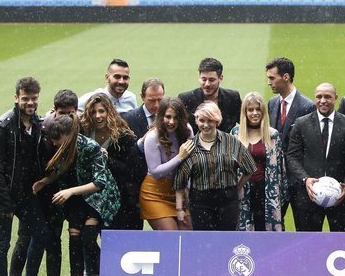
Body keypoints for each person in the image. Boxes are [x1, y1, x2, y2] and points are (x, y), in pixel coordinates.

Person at [33, 114, 120, 276]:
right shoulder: (63, 148)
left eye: (57, 140)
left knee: (89, 240)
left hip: (98, 197)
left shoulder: (90, 147)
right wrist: (45, 182)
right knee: (74, 241)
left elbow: (100, 183)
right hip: (77, 199)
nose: (54, 144)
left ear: (69, 136)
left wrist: (70, 191)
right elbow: (61, 171)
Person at [0, 77, 56, 276]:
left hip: (26, 193)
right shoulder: (2, 126)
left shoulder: (38, 124)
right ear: (16, 98)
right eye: (25, 98)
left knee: (42, 233)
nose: (30, 102)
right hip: (1, 196)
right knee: (1, 245)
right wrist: (5, 205)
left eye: (34, 98)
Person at [4, 88, 77, 276]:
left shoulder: (78, 129)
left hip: (61, 193)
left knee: (54, 241)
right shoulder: (41, 127)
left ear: (76, 112)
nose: (66, 117)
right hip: (36, 192)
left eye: (70, 113)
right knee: (25, 238)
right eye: (62, 112)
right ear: (54, 110)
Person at [286, 83, 345, 232]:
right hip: (309, 197)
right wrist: (305, 179)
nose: (323, 100)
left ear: (336, 98)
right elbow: (292, 157)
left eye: (327, 97)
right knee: (307, 245)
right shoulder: (301, 123)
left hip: (341, 198)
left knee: (343, 244)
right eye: (319, 97)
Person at [174, 102, 254, 231]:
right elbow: (180, 181)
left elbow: (249, 168)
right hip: (200, 202)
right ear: (196, 121)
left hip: (228, 201)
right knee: (203, 241)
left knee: (226, 241)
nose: (205, 125)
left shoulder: (231, 142)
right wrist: (179, 209)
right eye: (202, 120)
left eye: (210, 121)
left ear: (217, 121)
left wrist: (236, 187)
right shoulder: (189, 146)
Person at [80, 93, 146, 230]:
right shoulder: (85, 134)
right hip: (91, 196)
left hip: (120, 199)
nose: (98, 116)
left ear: (109, 112)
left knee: (117, 242)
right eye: (93, 112)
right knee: (87, 239)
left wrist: (107, 159)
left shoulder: (124, 137)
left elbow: (133, 170)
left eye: (101, 111)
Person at [265, 56, 316, 227]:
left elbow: (311, 146)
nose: (269, 82)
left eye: (272, 78)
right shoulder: (272, 103)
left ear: (285, 77)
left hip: (298, 180)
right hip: (276, 179)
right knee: (273, 226)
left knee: (303, 225)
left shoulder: (307, 106)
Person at [139, 97, 195, 231]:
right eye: (168, 117)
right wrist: (180, 157)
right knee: (171, 235)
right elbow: (156, 172)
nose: (172, 122)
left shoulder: (187, 130)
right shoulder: (153, 137)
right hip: (155, 192)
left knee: (188, 233)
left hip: (179, 189)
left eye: (176, 118)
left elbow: (191, 163)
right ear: (160, 116)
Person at [232, 92, 284, 231]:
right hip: (242, 189)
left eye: (258, 109)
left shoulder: (272, 135)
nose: (254, 113)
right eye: (250, 110)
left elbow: (280, 169)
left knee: (264, 230)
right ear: (245, 112)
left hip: (266, 190)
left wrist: (280, 197)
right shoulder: (235, 134)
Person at [179, 57, 242, 135]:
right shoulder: (186, 99)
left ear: (221, 78)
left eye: (211, 80)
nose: (207, 84)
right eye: (204, 79)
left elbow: (246, 122)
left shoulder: (232, 98)